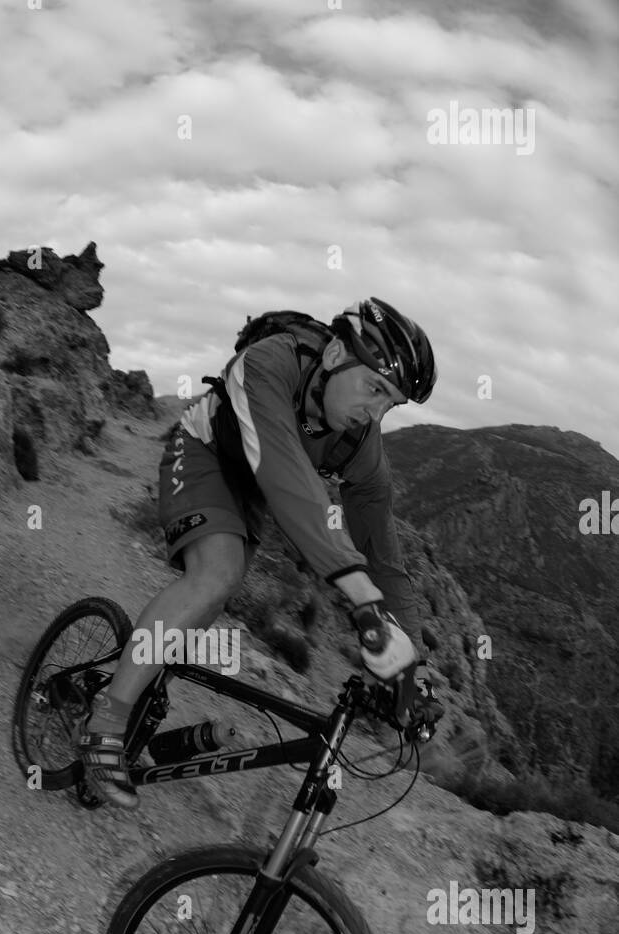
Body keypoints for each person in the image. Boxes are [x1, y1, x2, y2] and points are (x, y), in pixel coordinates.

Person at [74, 297, 440, 808]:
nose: (374, 414)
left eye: (391, 403)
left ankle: (143, 673)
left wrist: (415, 666)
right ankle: (106, 723)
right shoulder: (271, 362)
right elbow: (288, 480)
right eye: (374, 388)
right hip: (204, 453)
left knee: (206, 607)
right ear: (335, 354)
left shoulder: (363, 451)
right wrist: (360, 597)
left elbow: (385, 558)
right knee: (216, 575)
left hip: (251, 489)